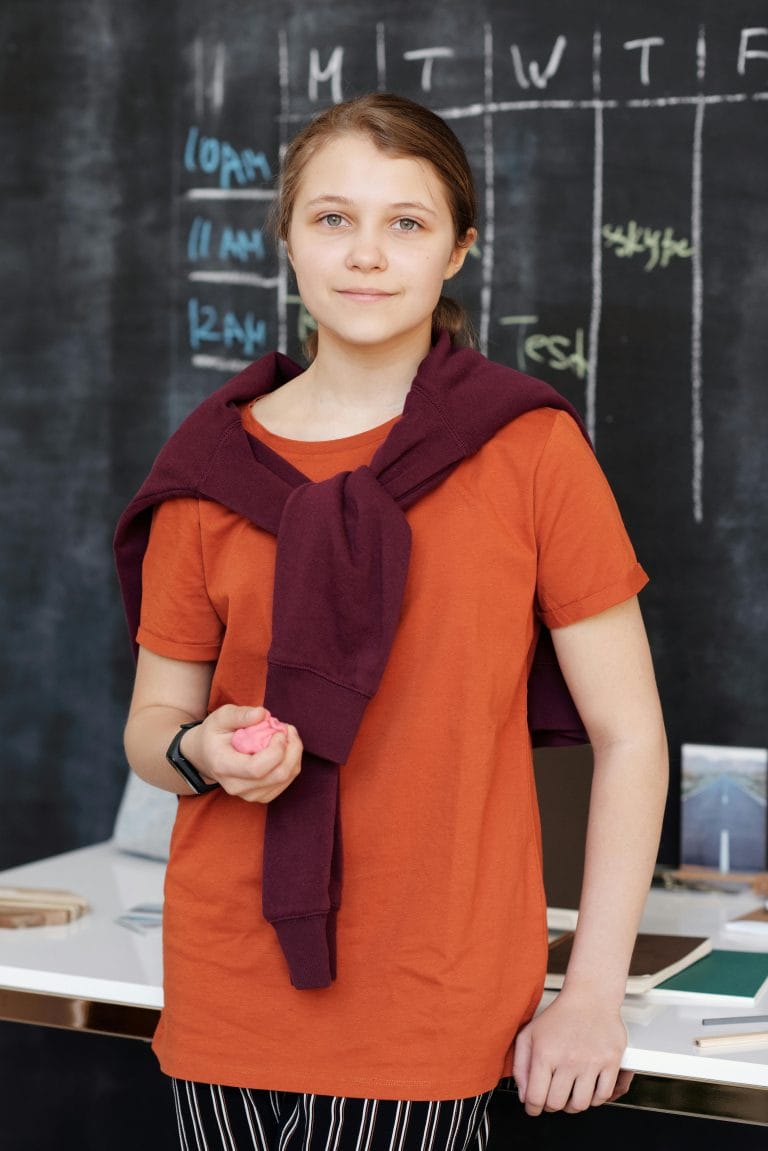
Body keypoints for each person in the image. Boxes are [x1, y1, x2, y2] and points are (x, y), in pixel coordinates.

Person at [114, 92, 668, 1151]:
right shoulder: (205, 469)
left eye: (405, 222)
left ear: (459, 247)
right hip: (229, 981)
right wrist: (200, 751)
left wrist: (591, 990)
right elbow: (152, 726)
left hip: (440, 990)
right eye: (332, 218)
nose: (366, 254)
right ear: (285, 239)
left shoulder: (530, 449)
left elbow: (631, 736)